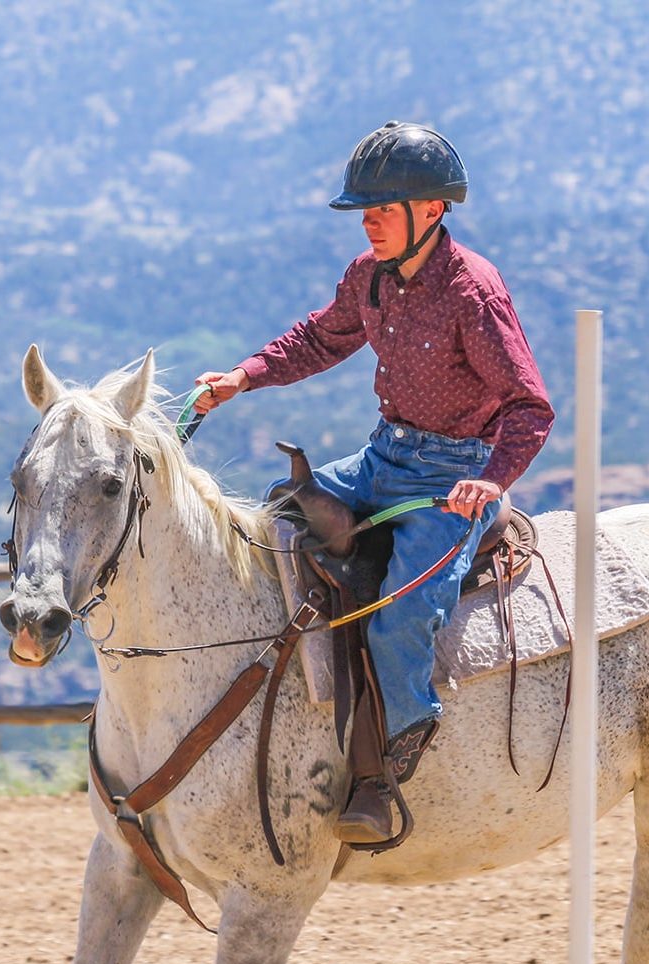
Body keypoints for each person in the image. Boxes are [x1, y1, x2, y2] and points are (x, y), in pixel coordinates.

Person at [195, 120, 554, 845]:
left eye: (383, 210)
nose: (369, 224)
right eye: (364, 212)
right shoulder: (369, 276)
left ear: (432, 210)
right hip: (382, 458)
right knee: (280, 518)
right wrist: (243, 377)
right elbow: (322, 336)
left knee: (399, 613)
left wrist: (490, 481)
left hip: (451, 479)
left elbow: (529, 405)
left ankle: (399, 744)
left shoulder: (472, 291)